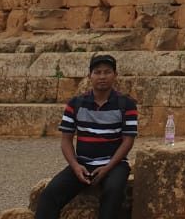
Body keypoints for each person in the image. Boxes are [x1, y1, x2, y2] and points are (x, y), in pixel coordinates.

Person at [35, 54, 138, 219]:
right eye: (97, 72)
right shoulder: (75, 104)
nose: (102, 77)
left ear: (115, 75)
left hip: (115, 165)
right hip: (82, 164)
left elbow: (128, 141)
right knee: (49, 195)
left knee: (113, 193)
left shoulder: (126, 104)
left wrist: (107, 168)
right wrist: (75, 166)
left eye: (107, 72)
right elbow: (66, 140)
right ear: (90, 75)